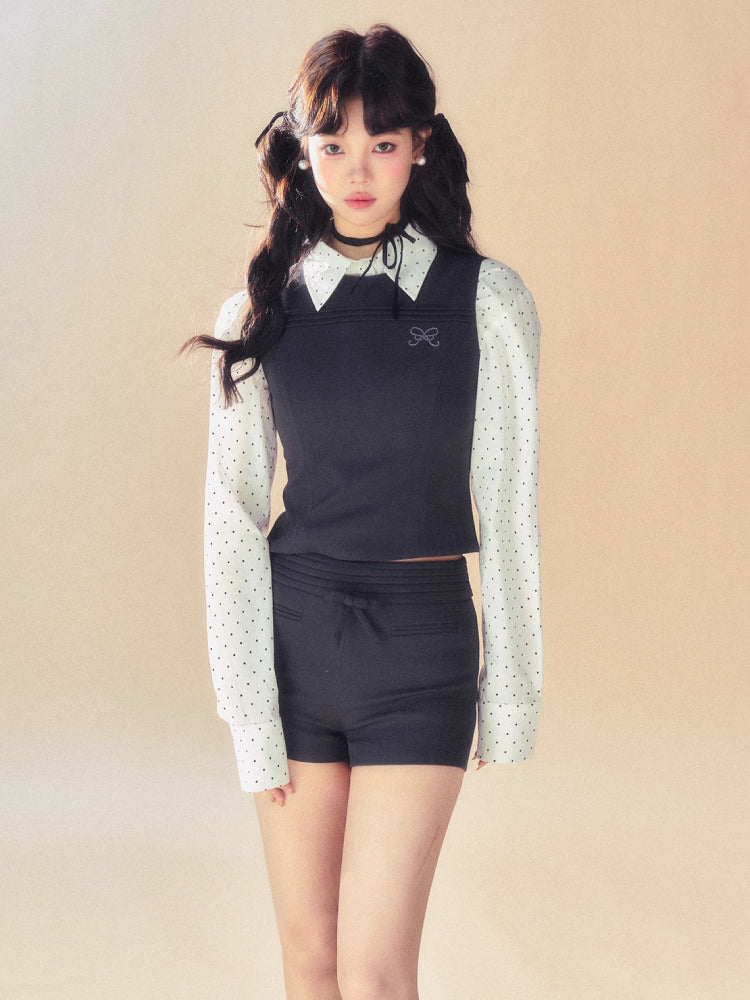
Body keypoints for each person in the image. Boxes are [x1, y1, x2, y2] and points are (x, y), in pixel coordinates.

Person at [184, 23, 542, 1000]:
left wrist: (512, 694)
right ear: (303, 148)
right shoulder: (259, 312)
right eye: (333, 142)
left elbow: (509, 509)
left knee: (375, 972)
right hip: (296, 646)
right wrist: (248, 710)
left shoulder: (485, 301)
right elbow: (230, 518)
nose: (356, 169)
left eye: (381, 142)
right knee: (311, 964)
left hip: (421, 652)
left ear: (420, 144)